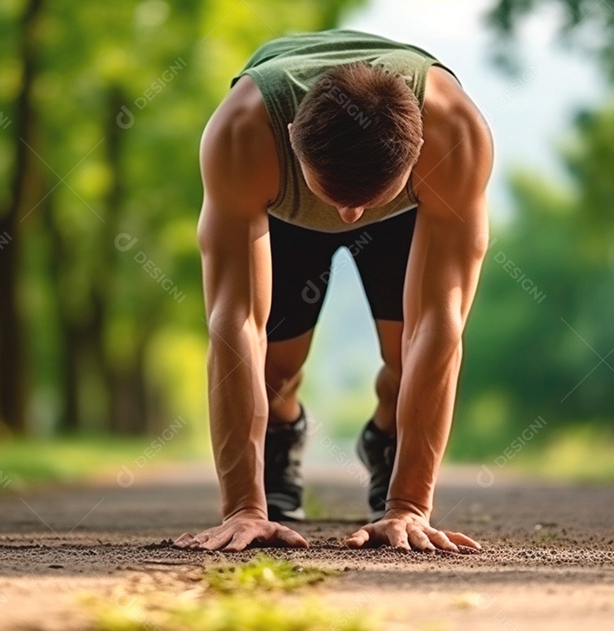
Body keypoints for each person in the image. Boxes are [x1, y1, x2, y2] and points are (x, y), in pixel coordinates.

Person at [174, 29, 491, 553]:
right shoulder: (242, 133)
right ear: (294, 132)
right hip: (284, 198)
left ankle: (384, 440)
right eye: (338, 201)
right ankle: (282, 436)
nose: (348, 217)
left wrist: (409, 506)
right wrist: (242, 508)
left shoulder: (454, 135)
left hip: (405, 209)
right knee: (274, 368)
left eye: (360, 205)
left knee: (406, 356)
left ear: (416, 152)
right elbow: (235, 324)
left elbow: (441, 322)